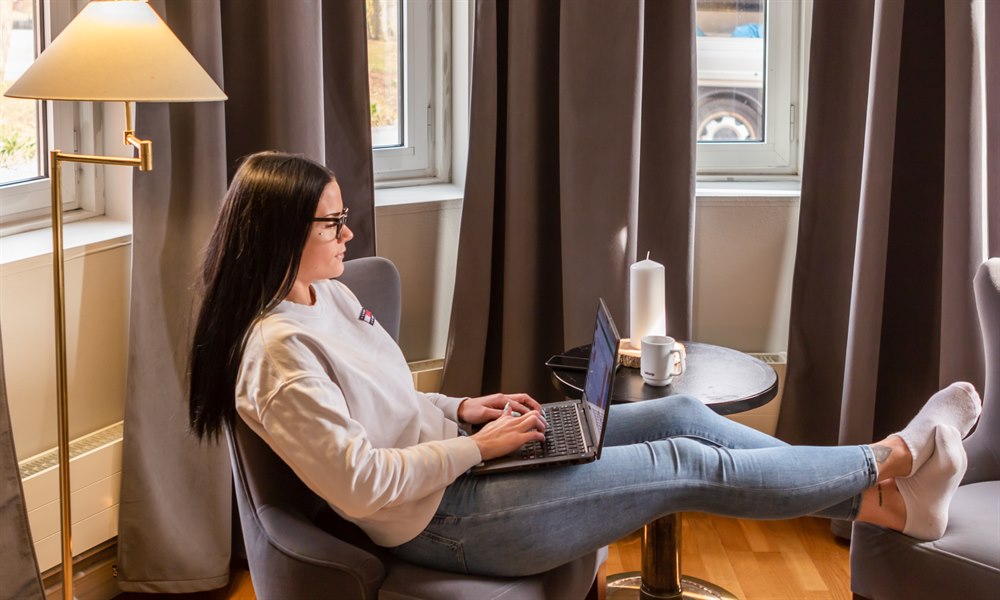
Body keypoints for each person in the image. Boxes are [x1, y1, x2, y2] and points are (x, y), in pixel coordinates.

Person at [189, 151, 982, 578]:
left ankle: (891, 508)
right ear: (281, 236)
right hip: (445, 522)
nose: (349, 234)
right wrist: (477, 449)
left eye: (344, 217)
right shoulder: (278, 358)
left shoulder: (324, 295)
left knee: (680, 413)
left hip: (459, 469)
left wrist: (462, 410)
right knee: (683, 461)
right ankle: (893, 458)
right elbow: (363, 482)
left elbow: (386, 405)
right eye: (332, 223)